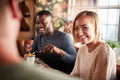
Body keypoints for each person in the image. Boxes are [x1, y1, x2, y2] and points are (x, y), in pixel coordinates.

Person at [0, 0, 81, 80]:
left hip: (59, 75)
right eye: (38, 23)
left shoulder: (65, 37)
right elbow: (32, 53)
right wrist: (28, 52)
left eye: (44, 22)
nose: (40, 25)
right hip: (41, 72)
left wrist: (60, 52)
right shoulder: (39, 37)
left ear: (52, 21)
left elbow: (73, 61)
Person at [70, 10, 116, 80]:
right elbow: (73, 77)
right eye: (76, 28)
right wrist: (54, 72)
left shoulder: (103, 51)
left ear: (96, 28)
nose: (79, 33)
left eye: (85, 27)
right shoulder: (82, 50)